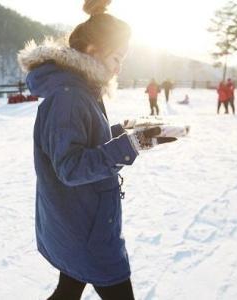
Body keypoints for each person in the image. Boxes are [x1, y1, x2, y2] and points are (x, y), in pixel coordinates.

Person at [17, 0, 167, 298]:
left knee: (68, 289)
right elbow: (71, 167)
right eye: (117, 57)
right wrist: (131, 145)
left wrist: (126, 131)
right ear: (91, 51)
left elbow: (87, 142)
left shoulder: (79, 89)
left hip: (81, 221)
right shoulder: (69, 96)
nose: (119, 66)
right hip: (87, 229)